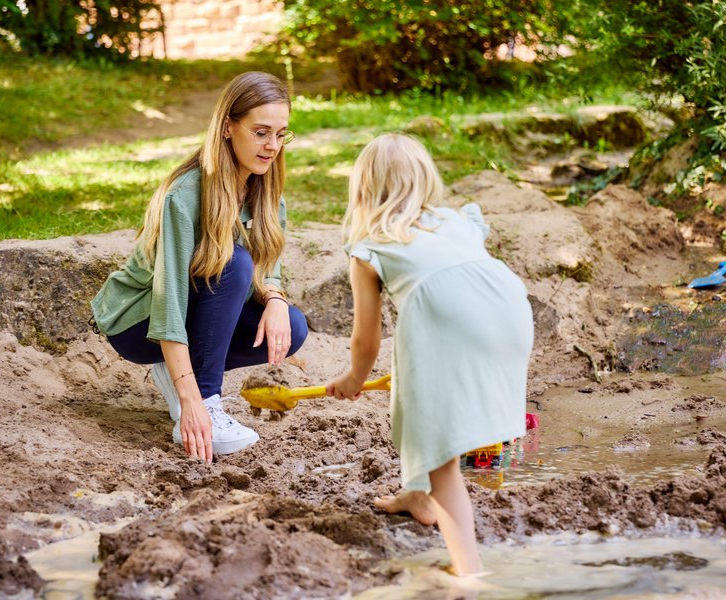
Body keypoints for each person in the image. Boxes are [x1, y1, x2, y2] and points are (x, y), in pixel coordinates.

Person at [326, 133, 533, 575]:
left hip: (444, 318)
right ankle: (415, 493)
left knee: (439, 445)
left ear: (362, 189)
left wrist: (354, 379)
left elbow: (367, 338)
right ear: (424, 179)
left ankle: (469, 572)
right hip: (510, 312)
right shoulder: (456, 220)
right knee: (419, 405)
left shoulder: (370, 247)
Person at [91, 72, 308, 464]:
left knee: (292, 326)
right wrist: (190, 400)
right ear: (228, 127)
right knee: (234, 262)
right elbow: (168, 300)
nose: (272, 146)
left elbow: (267, 271)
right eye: (261, 132)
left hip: (192, 311)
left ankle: (186, 376)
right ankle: (206, 400)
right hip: (138, 323)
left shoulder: (266, 195)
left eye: (281, 134)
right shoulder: (185, 196)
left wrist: (274, 299)